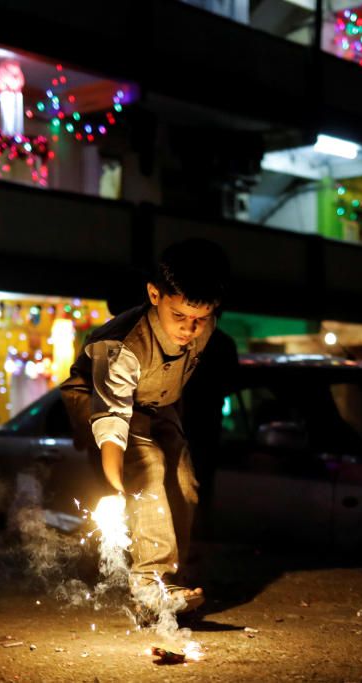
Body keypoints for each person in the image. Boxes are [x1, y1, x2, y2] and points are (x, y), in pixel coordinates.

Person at [60, 239, 229, 621]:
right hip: (98, 398)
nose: (190, 329)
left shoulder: (205, 324)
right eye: (180, 316)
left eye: (200, 319)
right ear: (154, 294)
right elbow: (113, 417)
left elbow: (172, 380)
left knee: (184, 480)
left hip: (156, 402)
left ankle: (167, 583)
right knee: (148, 467)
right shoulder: (121, 347)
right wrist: (115, 486)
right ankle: (150, 584)